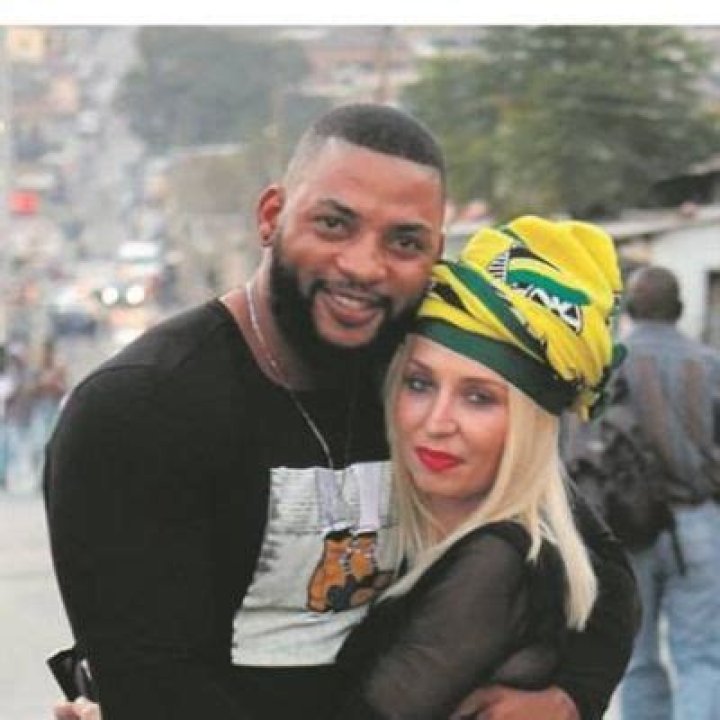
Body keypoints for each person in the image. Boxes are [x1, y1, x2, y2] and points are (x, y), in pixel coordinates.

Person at [46, 103, 637, 720]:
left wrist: (569, 699)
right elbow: (158, 685)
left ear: (434, 254)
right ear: (271, 216)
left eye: (404, 241)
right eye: (334, 224)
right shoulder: (143, 408)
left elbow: (597, 565)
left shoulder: (411, 377)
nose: (363, 265)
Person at [617, 266, 720, 720]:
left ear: (629, 307)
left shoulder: (610, 363)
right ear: (679, 308)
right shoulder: (708, 363)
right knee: (701, 657)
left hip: (626, 528)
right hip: (696, 521)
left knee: (637, 659)